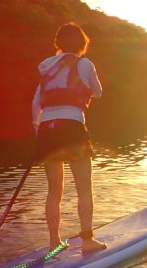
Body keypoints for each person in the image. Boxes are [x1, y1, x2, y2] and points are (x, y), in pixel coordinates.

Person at [31, 23, 106, 254]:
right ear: (82, 44)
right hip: (72, 127)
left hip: (47, 129)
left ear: (59, 44)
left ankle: (55, 242)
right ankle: (87, 241)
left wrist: (41, 134)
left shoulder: (47, 68)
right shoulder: (84, 64)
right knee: (84, 189)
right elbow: (98, 91)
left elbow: (36, 105)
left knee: (54, 191)